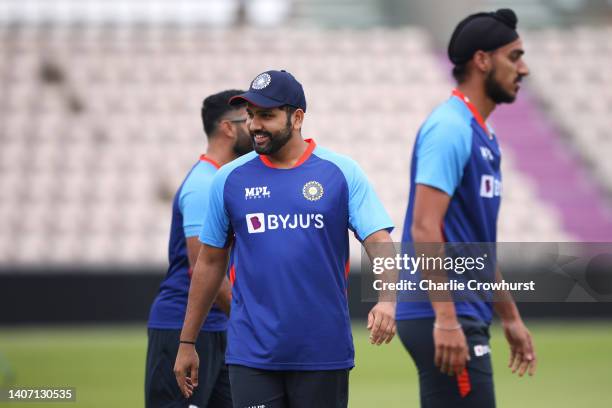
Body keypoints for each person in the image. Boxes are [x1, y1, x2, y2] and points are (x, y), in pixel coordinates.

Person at [173, 70, 397, 408]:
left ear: (297, 117)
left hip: (323, 351)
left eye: (266, 115)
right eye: (250, 115)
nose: (255, 125)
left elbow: (378, 240)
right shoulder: (229, 179)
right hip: (252, 354)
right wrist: (187, 341)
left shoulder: (341, 172)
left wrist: (388, 300)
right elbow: (210, 261)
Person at [396, 9, 537, 408]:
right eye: (514, 56)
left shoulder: (483, 134)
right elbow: (425, 228)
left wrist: (509, 316)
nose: (523, 69)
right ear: (482, 60)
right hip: (443, 312)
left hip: (462, 311)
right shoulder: (450, 128)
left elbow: (476, 245)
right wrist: (445, 318)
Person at [146, 89, 253, 408]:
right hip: (185, 329)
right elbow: (204, 268)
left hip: (214, 327)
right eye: (248, 119)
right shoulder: (205, 186)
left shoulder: (218, 180)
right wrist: (252, 323)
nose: (256, 126)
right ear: (228, 127)